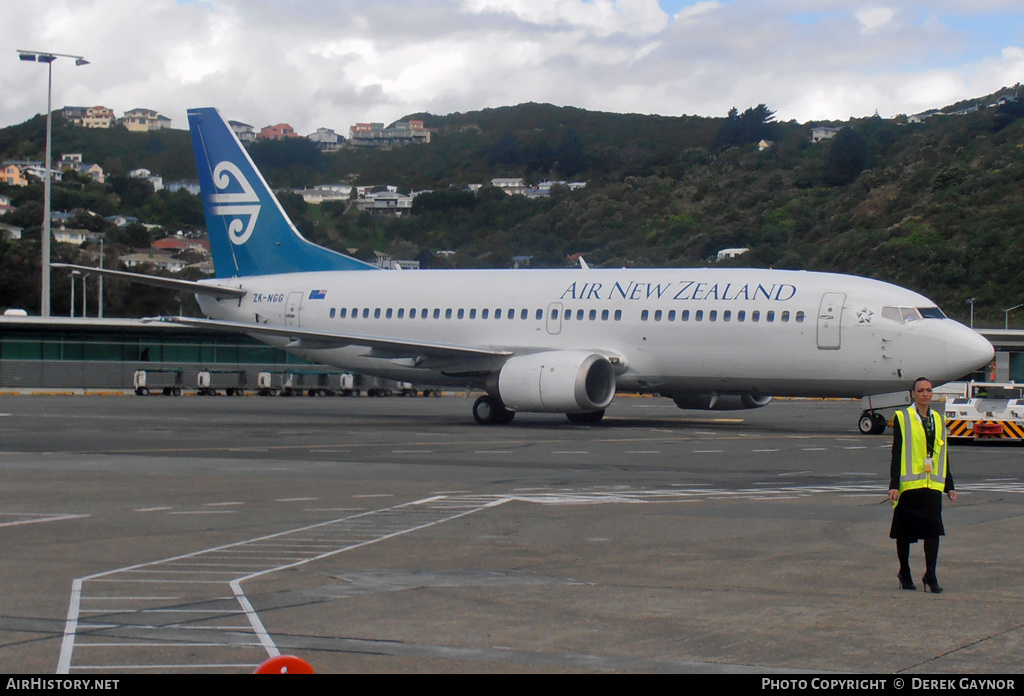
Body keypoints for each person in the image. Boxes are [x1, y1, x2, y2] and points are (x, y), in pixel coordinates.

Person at [888, 377, 957, 593]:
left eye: (929, 390)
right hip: (909, 485)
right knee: (904, 533)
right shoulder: (903, 417)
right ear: (913, 394)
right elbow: (897, 451)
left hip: (932, 485)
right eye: (921, 390)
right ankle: (905, 571)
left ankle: (931, 574)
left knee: (933, 531)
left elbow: (942, 452)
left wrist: (949, 484)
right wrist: (894, 485)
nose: (925, 394)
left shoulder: (938, 418)